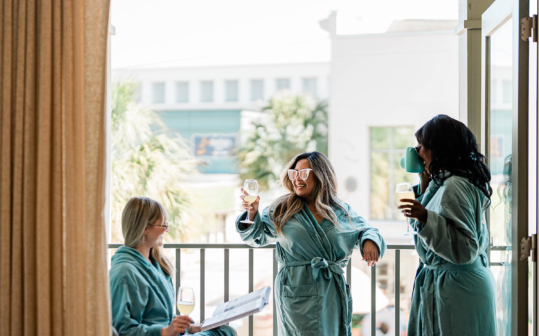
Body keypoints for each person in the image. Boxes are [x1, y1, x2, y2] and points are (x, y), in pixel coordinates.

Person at [236, 151, 386, 336]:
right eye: (293, 173)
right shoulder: (283, 208)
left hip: (330, 291)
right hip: (296, 291)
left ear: (321, 176)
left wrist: (369, 240)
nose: (297, 179)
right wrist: (252, 213)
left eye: (304, 173)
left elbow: (367, 229)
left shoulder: (340, 210)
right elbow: (255, 236)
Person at [398, 115, 497, 336]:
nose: (417, 152)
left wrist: (425, 218)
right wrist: (425, 185)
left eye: (421, 146)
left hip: (459, 290)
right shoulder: (445, 183)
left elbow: (465, 248)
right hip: (452, 286)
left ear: (438, 148)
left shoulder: (456, 185)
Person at [110, 197, 236, 336]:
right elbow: (121, 329)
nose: (167, 230)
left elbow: (163, 316)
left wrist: (191, 328)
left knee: (225, 330)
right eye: (163, 225)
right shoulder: (125, 272)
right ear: (145, 228)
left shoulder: (156, 264)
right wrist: (163, 332)